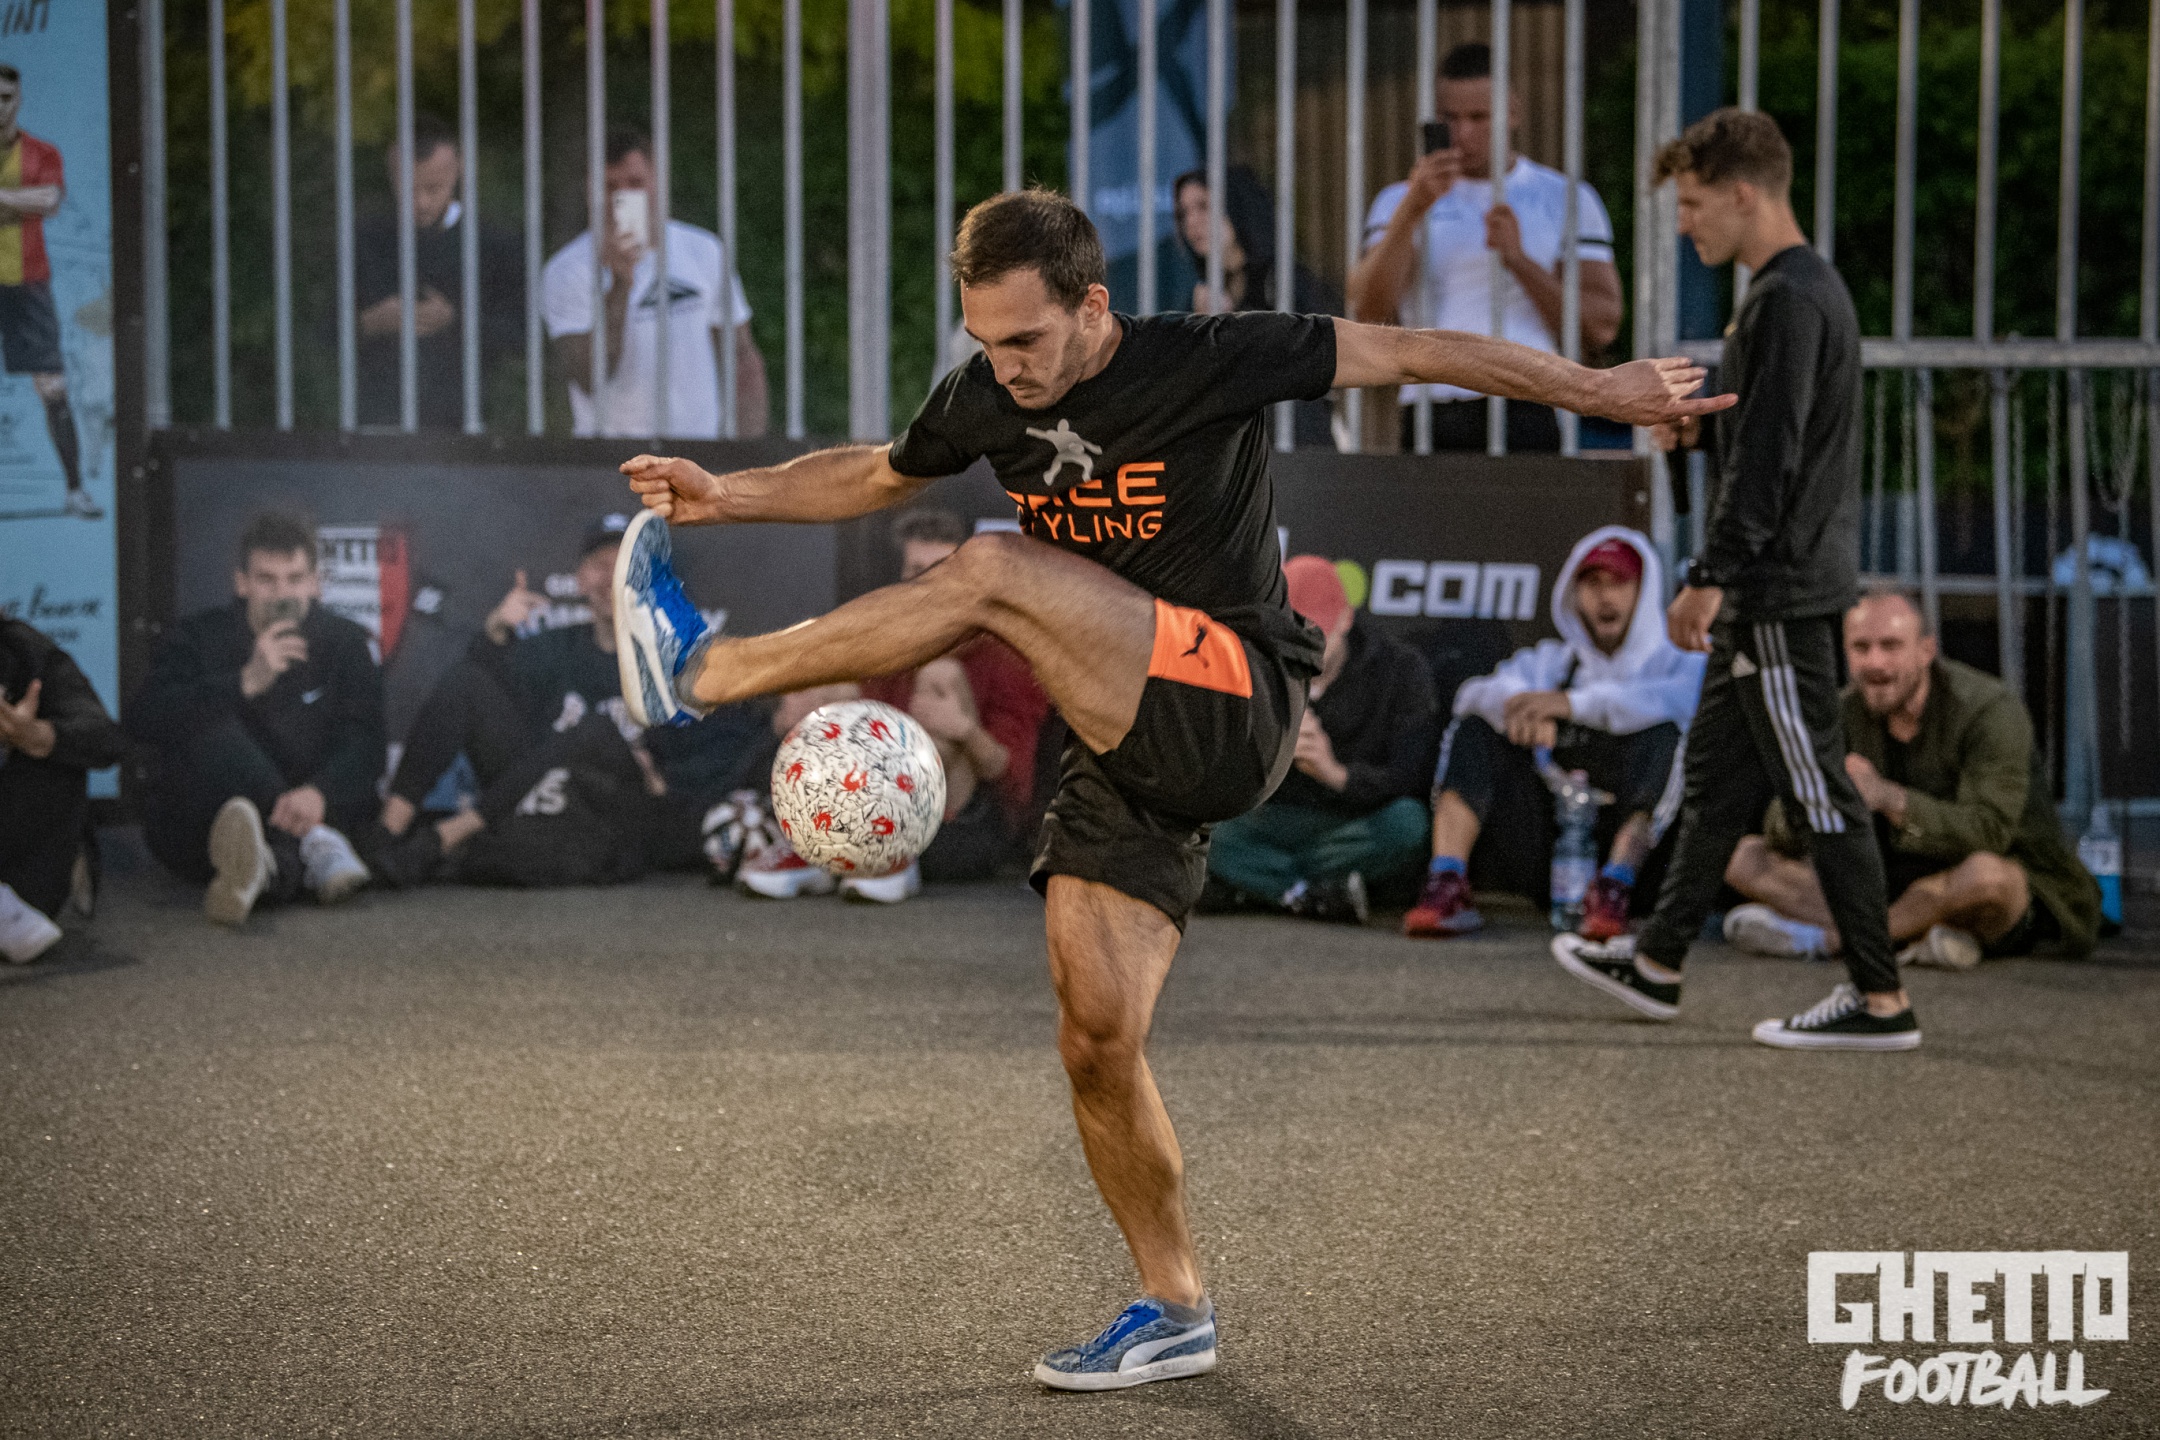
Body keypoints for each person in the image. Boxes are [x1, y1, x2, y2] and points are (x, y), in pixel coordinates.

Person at [605, 187, 1725, 1388]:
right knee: (1097, 1039)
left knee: (991, 568)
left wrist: (1602, 390)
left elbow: (1416, 349)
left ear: (1094, 305)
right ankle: (1175, 1303)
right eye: (985, 341)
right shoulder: (990, 391)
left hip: (1234, 688)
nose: (1007, 367)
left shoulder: (1211, 356)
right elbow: (878, 474)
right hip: (1125, 739)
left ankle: (707, 671)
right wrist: (728, 494)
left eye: (1027, 338)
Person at [1551, 109, 1921, 1052]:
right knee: (1716, 782)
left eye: (1693, 203)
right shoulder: (1793, 291)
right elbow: (1765, 436)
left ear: (1744, 194)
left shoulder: (1787, 298)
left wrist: (1708, 575)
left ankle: (1881, 1000)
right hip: (1771, 585)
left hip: (1776, 594)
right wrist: (1700, 434)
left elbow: (1772, 459)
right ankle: (1657, 960)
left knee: (1818, 789)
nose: (1683, 224)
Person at [1722, 588, 2102, 968]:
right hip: (1886, 882)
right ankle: (1918, 938)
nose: (1875, 663)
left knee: (1986, 877)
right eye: (1861, 648)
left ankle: (1834, 940)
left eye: (1891, 646)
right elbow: (1778, 826)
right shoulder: (1840, 713)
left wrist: (1889, 798)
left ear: (1925, 650)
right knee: (1743, 857)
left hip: (1974, 878)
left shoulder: (1987, 710)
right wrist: (1817, 798)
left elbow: (1989, 831)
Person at [739, 508, 1054, 902]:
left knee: (939, 677)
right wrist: (805, 706)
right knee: (826, 690)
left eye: (942, 569)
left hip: (968, 828)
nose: (929, 582)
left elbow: (1018, 785)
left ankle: (885, 852)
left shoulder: (1004, 652)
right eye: (917, 570)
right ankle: (819, 843)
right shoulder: (892, 640)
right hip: (884, 804)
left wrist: (965, 730)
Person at [1407, 527, 1704, 939]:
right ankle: (1446, 882)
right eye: (1593, 584)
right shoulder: (1554, 661)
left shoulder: (1680, 658)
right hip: (1555, 851)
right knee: (1474, 728)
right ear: (1573, 593)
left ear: (1644, 590)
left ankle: (1615, 887)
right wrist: (1519, 708)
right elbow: (1471, 695)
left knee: (1666, 735)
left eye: (1619, 583)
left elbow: (1683, 701)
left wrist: (1570, 705)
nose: (1605, 597)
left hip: (1647, 862)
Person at [1348, 43, 1622, 453]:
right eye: (1449, 118)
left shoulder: (1565, 197)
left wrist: (1519, 261)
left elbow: (1601, 326)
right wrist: (1413, 210)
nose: (1463, 134)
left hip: (1529, 397)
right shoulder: (1398, 201)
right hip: (1431, 402)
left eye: (1479, 117)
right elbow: (1367, 313)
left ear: (1513, 113)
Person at [128, 512, 382, 926]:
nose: (282, 594)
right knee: (208, 721)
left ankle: (268, 870)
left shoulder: (345, 642)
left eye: (294, 579)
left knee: (290, 841)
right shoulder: (198, 636)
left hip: (310, 807)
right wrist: (245, 681)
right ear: (241, 583)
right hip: (212, 814)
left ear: (316, 583)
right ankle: (312, 844)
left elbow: (367, 743)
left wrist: (320, 793)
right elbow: (143, 718)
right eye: (267, 580)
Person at [369, 514, 633, 884]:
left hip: (603, 808)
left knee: (594, 730)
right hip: (526, 794)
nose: (611, 579)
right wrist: (496, 632)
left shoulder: (669, 659)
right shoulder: (554, 647)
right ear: (580, 579)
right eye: (600, 566)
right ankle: (385, 834)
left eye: (626, 565)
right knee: (465, 682)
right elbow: (480, 693)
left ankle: (446, 838)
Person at [1202, 555, 1436, 924]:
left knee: (1410, 824)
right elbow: (1217, 774)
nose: (1305, 648)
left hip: (1353, 823)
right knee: (1205, 831)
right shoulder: (1252, 662)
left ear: (1346, 620)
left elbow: (1409, 778)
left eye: (1317, 635)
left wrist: (1334, 773)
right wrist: (1271, 751)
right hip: (1274, 818)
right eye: (1293, 635)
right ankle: (1314, 894)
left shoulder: (1399, 670)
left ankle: (1266, 887)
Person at [542, 126, 768, 439]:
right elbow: (589, 377)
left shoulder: (703, 250)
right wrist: (621, 285)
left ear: (657, 181)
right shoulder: (568, 270)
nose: (622, 197)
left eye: (636, 183)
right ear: (589, 191)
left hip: (699, 451)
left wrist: (747, 454)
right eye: (609, 186)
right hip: (610, 454)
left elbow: (741, 356)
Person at [354, 112, 526, 429]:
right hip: (379, 425)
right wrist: (369, 323)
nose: (421, 202)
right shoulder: (365, 238)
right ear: (391, 174)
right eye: (408, 188)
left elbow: (522, 334)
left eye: (433, 188)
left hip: (468, 425)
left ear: (458, 170)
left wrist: (455, 320)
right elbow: (319, 331)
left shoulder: (494, 243)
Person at [1172, 166, 1339, 448]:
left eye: (1204, 206)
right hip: (1237, 448)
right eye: (1183, 213)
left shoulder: (1283, 279)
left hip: (1295, 444)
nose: (1192, 221)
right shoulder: (1199, 294)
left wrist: (1231, 326)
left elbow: (1316, 356)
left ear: (1235, 205)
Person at [0, 65, 95, 519]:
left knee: (53, 387)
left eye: (6, 98)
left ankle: (75, 489)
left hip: (28, 284)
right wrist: (21, 200)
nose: (0, 107)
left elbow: (50, 200)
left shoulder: (41, 152)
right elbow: (35, 201)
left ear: (18, 100)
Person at [0, 619, 125, 962]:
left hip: (20, 867)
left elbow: (106, 739)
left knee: (56, 752)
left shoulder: (23, 649)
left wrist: (34, 735)